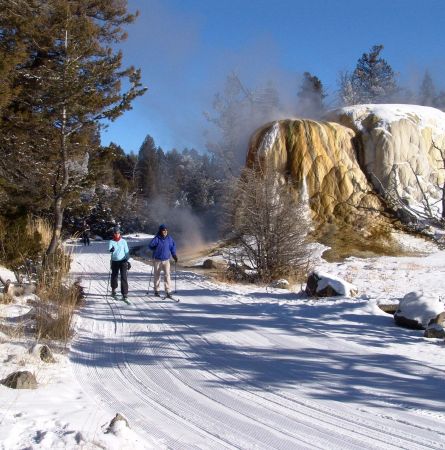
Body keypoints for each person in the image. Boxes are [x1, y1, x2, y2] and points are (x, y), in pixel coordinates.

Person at [149, 224, 178, 297]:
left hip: (166, 260)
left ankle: (168, 291)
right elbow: (150, 245)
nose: (165, 231)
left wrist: (174, 255)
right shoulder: (157, 238)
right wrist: (154, 248)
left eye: (166, 230)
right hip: (157, 260)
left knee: (167, 275)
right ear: (160, 231)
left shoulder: (169, 239)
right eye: (163, 230)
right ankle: (156, 290)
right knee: (157, 275)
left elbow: (172, 247)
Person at [108, 226, 130, 300]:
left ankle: (124, 293)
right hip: (114, 261)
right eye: (115, 233)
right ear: (113, 234)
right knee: (114, 276)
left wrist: (128, 261)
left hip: (123, 261)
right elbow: (109, 250)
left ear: (120, 233)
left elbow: (126, 252)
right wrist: (111, 249)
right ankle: (113, 289)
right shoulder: (111, 241)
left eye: (118, 233)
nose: (117, 234)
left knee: (124, 277)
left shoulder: (123, 241)